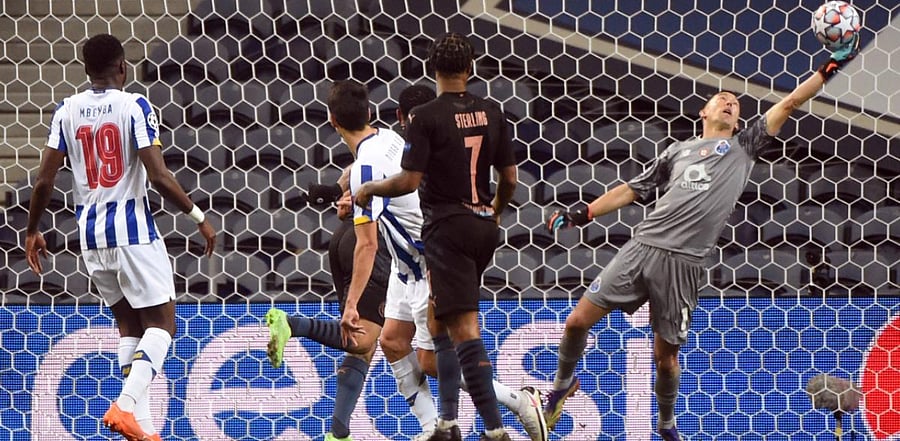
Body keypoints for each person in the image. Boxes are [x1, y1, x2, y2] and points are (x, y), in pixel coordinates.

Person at [541, 35, 862, 441]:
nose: (730, 103)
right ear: (704, 111)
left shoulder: (744, 145)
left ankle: (665, 422)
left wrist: (828, 68)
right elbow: (631, 190)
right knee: (575, 322)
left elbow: (789, 103)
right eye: (723, 99)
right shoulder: (677, 151)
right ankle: (562, 386)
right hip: (641, 247)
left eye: (737, 103)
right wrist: (583, 212)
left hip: (685, 264)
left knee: (665, 360)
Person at [24, 34, 216, 441]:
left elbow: (44, 179)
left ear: (86, 69)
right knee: (163, 324)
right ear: (123, 67)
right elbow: (159, 175)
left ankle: (143, 429)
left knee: (130, 327)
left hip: (91, 237)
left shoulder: (66, 110)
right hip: (133, 232)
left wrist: (32, 229)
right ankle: (125, 406)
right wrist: (198, 215)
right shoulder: (135, 106)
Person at [355, 33, 521, 441]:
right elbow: (511, 178)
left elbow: (409, 180)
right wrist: (495, 210)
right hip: (483, 225)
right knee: (439, 321)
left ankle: (497, 429)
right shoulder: (493, 112)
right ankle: (446, 421)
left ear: (433, 69)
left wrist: (369, 189)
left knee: (464, 329)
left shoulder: (425, 117)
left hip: (447, 227)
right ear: (470, 68)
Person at [265, 83, 438, 441]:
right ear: (372, 114)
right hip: (379, 251)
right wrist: (353, 304)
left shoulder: (363, 161)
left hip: (341, 239)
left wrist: (337, 192)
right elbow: (368, 244)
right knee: (362, 337)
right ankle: (292, 325)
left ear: (332, 120)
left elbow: (356, 175)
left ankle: (337, 432)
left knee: (372, 343)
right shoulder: (390, 138)